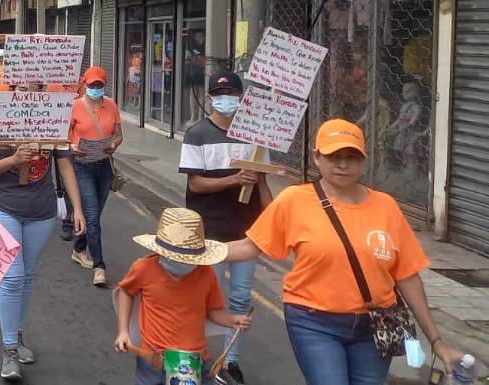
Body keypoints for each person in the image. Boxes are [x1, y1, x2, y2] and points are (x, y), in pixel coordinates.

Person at [223, 119, 466, 385]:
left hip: (374, 326)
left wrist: (437, 341)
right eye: (333, 156)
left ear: (363, 160)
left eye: (351, 157)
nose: (342, 164)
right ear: (317, 157)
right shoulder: (294, 200)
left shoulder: (386, 207)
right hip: (313, 322)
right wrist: (199, 251)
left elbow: (407, 275)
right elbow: (250, 246)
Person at [0, 88, 85, 381]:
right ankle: (9, 349)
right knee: (12, 277)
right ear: (13, 92)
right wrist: (14, 160)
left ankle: (17, 333)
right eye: (23, 89)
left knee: (27, 276)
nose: (29, 94)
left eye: (35, 88)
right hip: (3, 208)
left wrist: (77, 208)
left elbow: (64, 165)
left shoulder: (54, 123)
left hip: (41, 211)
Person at [178, 70, 271, 384]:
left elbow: (262, 182)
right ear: (210, 98)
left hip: (247, 229)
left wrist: (277, 219)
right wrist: (233, 178)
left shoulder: (255, 138)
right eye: (220, 94)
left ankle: (231, 362)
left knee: (242, 298)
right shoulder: (197, 134)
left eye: (231, 93)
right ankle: (201, 356)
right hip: (210, 229)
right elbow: (195, 185)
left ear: (241, 98)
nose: (226, 100)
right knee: (208, 297)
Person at [115, 208, 254, 385]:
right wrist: (123, 332)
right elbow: (126, 292)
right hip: (154, 357)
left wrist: (232, 320)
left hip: (195, 358)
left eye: (187, 259)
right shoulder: (143, 268)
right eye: (177, 257)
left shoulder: (206, 274)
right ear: (162, 252)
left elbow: (212, 311)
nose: (183, 263)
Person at [68, 66, 124, 287]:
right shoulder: (75, 107)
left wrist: (114, 144)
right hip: (82, 166)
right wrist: (72, 146)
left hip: (103, 166)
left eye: (99, 85)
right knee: (91, 216)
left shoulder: (111, 106)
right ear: (85, 85)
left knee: (95, 215)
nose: (96, 89)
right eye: (92, 85)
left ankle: (78, 248)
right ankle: (100, 267)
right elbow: (63, 136)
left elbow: (119, 135)